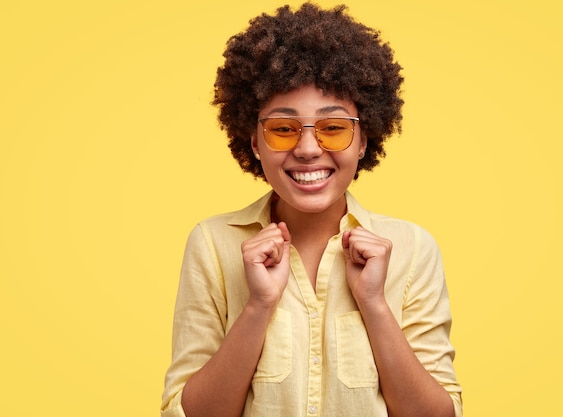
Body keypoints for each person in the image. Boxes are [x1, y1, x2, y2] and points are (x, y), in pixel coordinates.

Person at [161, 3, 462, 417]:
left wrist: (373, 302)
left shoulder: (413, 249)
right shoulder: (213, 244)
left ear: (363, 140)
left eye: (333, 128)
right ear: (253, 141)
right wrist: (257, 307)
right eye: (283, 129)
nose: (306, 149)